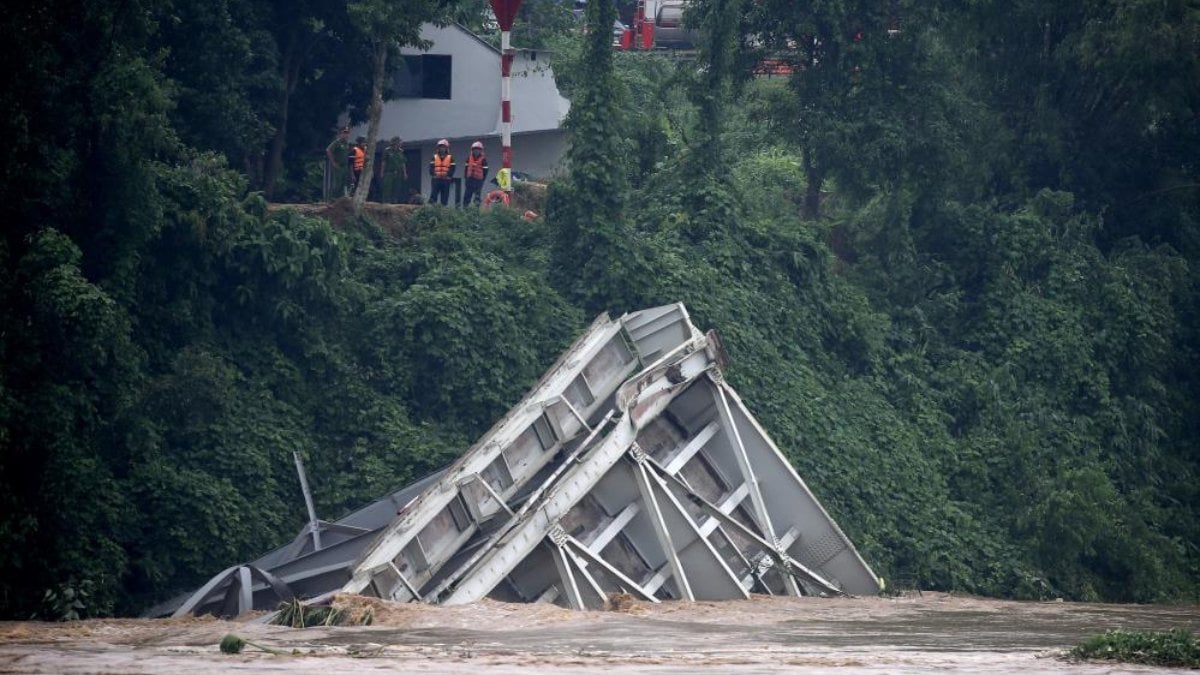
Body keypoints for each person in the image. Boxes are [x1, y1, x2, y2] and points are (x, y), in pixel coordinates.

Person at [324, 127, 350, 199]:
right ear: (340, 133)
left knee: (343, 183)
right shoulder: (337, 142)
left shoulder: (346, 143)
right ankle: (332, 199)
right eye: (344, 132)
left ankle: (339, 200)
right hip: (338, 165)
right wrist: (333, 162)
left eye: (347, 133)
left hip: (345, 166)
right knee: (337, 184)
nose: (346, 134)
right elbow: (328, 150)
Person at [462, 141, 489, 207]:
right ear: (472, 150)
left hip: (478, 181)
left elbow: (485, 170)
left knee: (477, 196)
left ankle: (476, 211)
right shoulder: (469, 158)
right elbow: (466, 169)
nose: (476, 151)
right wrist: (466, 177)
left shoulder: (483, 160)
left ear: (481, 151)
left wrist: (482, 179)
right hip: (469, 180)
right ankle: (465, 209)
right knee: (467, 196)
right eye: (475, 149)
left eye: (478, 149)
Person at [428, 138, 455, 206]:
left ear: (446, 148)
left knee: (444, 197)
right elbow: (431, 167)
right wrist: (433, 174)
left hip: (445, 180)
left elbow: (452, 168)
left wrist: (449, 175)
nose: (442, 148)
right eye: (440, 147)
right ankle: (432, 210)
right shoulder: (434, 157)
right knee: (433, 195)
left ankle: (443, 211)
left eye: (443, 147)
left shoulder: (450, 158)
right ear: (438, 148)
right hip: (436, 179)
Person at [380, 137, 407, 204]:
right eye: (399, 142)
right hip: (389, 172)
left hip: (398, 173)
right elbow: (383, 162)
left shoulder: (401, 151)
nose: (401, 143)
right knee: (387, 187)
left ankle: (395, 201)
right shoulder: (387, 151)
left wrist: (405, 173)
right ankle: (386, 202)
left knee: (397, 188)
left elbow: (403, 163)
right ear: (395, 142)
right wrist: (382, 172)